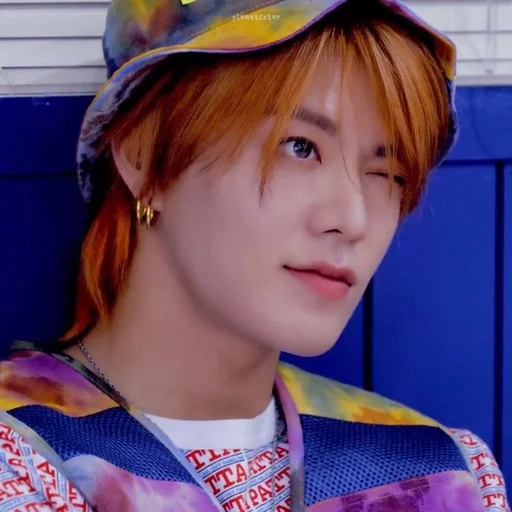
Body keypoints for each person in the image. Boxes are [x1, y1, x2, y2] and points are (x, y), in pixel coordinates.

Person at [0, 0, 508, 510]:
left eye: (388, 173)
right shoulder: (23, 459)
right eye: (300, 147)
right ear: (145, 155)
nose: (353, 220)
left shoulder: (443, 474)